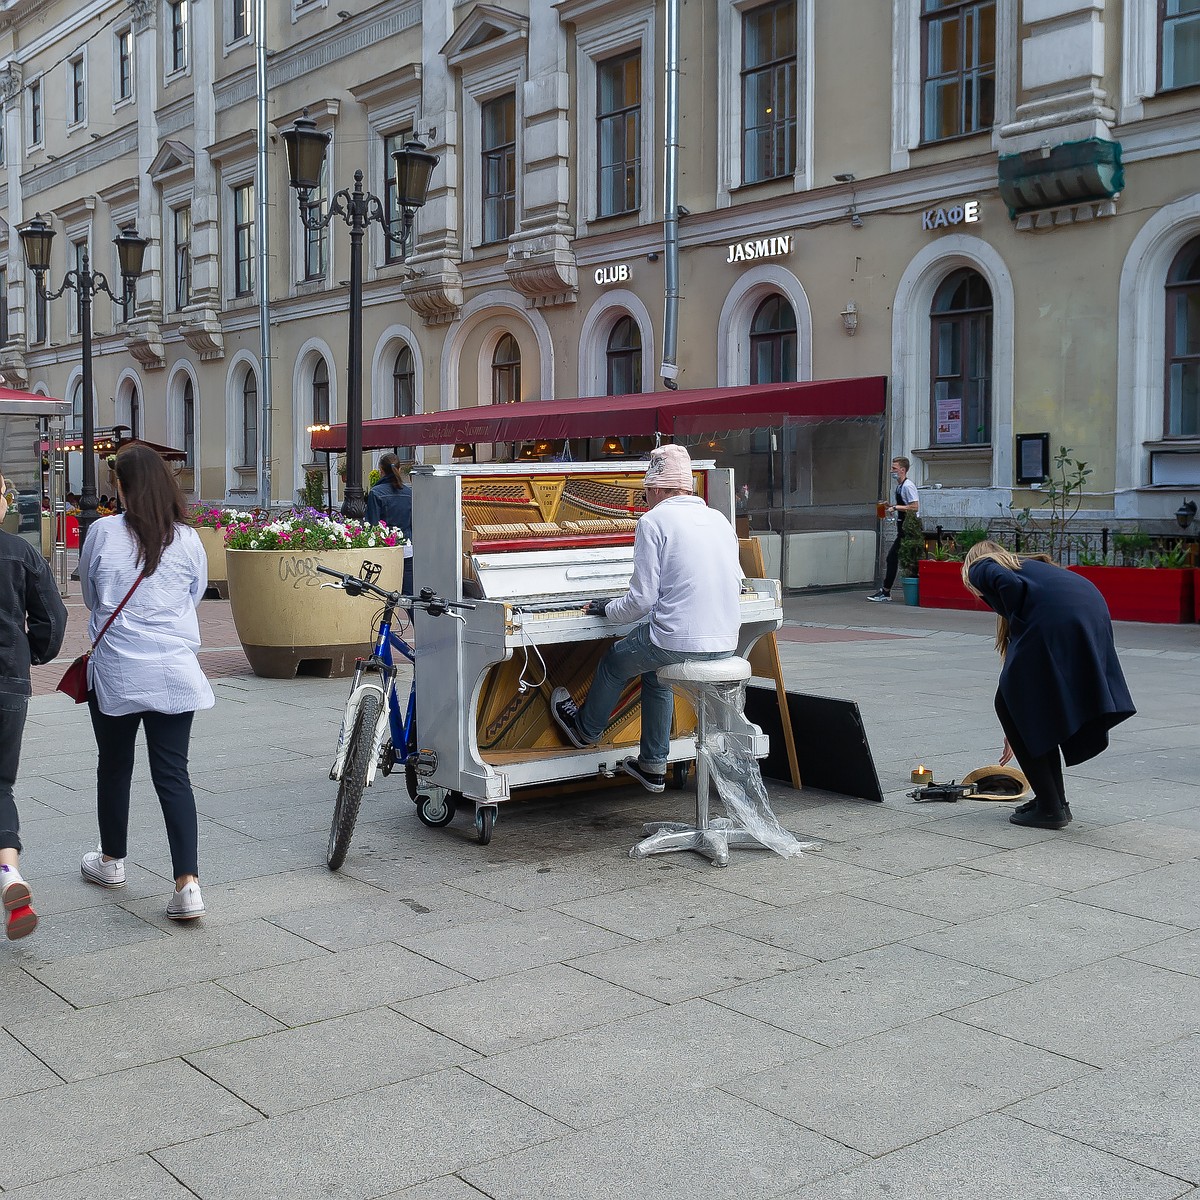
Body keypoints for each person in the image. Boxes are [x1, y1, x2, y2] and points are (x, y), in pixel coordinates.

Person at [550, 444, 742, 793]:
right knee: (655, 676)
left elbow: (640, 601)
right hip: (726, 639)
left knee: (614, 661)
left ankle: (585, 731)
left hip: (679, 641)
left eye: (645, 493)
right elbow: (736, 580)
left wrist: (606, 608)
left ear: (655, 488)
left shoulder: (653, 521)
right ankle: (653, 764)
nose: (644, 500)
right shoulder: (719, 519)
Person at [78, 444, 214, 919]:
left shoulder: (100, 532)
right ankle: (187, 885)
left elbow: (92, 598)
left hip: (116, 671)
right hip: (174, 671)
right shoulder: (189, 540)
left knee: (114, 766)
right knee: (173, 775)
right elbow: (194, 596)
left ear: (122, 486)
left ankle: (112, 860)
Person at [962, 541, 1135, 830]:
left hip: (1061, 620)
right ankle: (1055, 802)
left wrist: (1009, 609)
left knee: (1006, 701)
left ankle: (1050, 807)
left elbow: (1005, 584)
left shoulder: (982, 565)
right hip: (1088, 614)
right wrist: (1016, 724)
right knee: (1020, 702)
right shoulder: (1034, 570)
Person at [0, 473, 67, 939]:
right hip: (7, 677)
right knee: (0, 785)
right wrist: (33, 652)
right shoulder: (19, 552)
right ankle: (10, 874)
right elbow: (53, 617)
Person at [868, 455, 920, 602]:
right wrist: (889, 505)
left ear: (902, 470)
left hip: (908, 529)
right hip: (903, 528)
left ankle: (886, 591)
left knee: (893, 558)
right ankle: (886, 591)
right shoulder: (900, 486)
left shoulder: (908, 486)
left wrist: (895, 507)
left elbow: (915, 506)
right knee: (900, 560)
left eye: (894, 468)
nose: (892, 471)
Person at [365, 453, 414, 594]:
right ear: (399, 469)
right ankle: (414, 617)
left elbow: (372, 526)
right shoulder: (409, 493)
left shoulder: (376, 493)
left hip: (386, 550)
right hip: (408, 549)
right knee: (409, 597)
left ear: (381, 470)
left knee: (384, 596)